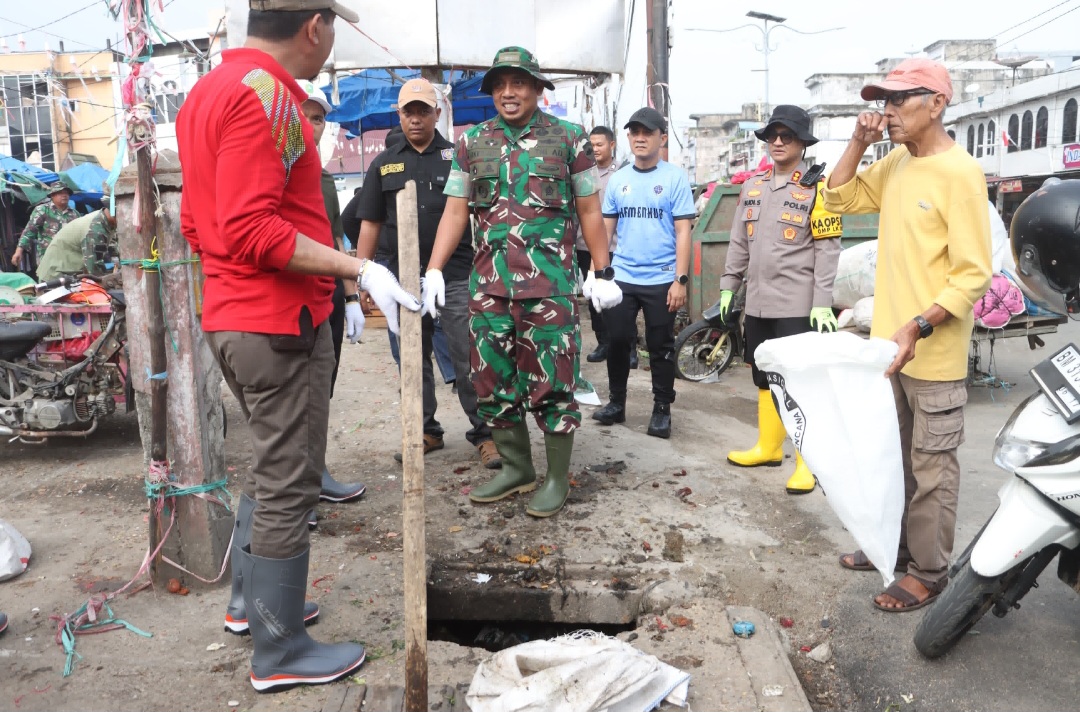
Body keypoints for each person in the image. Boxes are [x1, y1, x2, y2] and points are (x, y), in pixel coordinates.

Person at [176, 0, 419, 692]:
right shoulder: (271, 97)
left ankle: (251, 607)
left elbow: (198, 222)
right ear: (315, 26)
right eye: (333, 27)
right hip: (277, 322)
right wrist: (357, 270)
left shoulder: (207, 91)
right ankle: (279, 649)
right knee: (290, 483)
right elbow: (252, 228)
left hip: (234, 315)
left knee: (269, 468)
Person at [422, 46, 621, 518]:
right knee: (491, 382)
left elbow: (590, 209)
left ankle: (556, 478)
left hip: (549, 290)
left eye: (518, 83)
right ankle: (517, 468)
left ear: (536, 88)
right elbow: (455, 210)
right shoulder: (472, 143)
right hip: (488, 290)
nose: (508, 93)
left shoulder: (569, 139)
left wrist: (601, 269)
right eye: (500, 85)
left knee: (554, 384)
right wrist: (434, 268)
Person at [823, 58, 992, 611]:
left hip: (930, 351)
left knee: (932, 467)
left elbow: (972, 274)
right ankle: (894, 548)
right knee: (893, 459)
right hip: (889, 350)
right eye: (885, 101)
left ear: (937, 104)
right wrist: (858, 142)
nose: (888, 111)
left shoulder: (960, 174)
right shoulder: (897, 161)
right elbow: (838, 198)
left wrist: (918, 325)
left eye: (899, 100)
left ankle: (929, 571)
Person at [353, 78, 501, 469]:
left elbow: (482, 216)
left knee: (468, 357)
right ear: (399, 115)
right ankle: (425, 430)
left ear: (437, 114)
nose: (416, 119)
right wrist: (361, 276)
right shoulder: (383, 164)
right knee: (411, 360)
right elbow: (370, 222)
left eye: (423, 111)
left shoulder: (457, 158)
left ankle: (485, 433)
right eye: (409, 112)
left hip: (455, 276)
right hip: (400, 279)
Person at [719, 105, 843, 494]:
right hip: (758, 302)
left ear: (802, 143)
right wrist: (728, 285)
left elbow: (828, 250)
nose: (777, 142)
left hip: (798, 304)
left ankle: (808, 462)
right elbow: (739, 242)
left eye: (786, 136)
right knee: (764, 376)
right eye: (772, 135)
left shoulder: (819, 189)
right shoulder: (752, 186)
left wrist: (822, 301)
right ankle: (769, 448)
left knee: (800, 382)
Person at [591, 107, 695, 439]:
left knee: (660, 345)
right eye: (634, 132)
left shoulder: (675, 178)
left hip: (662, 278)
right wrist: (597, 274)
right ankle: (616, 403)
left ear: (662, 138)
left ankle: (662, 408)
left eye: (647, 132)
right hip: (622, 276)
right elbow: (605, 230)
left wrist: (680, 280)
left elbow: (683, 232)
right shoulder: (619, 179)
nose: (640, 138)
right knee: (617, 341)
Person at [299, 81, 367, 506]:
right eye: (304, 115)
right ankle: (296, 492)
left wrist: (351, 297)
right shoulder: (271, 170)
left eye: (319, 118)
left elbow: (336, 239)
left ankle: (316, 475)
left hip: (329, 298)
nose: (312, 125)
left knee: (321, 387)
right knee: (291, 396)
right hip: (289, 300)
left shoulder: (323, 179)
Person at [577, 125, 635, 367]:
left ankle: (629, 347)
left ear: (612, 145)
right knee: (594, 298)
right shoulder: (582, 171)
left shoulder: (623, 173)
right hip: (585, 245)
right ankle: (603, 343)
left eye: (599, 144)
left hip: (615, 247)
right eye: (591, 145)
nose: (595, 149)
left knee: (620, 298)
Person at [36, 199, 117, 282]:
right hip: (56, 275)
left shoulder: (104, 220)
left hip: (69, 272)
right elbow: (94, 267)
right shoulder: (95, 228)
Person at [12, 183, 79, 269]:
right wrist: (19, 251)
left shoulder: (74, 214)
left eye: (66, 193)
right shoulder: (43, 210)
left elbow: (79, 236)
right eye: (60, 193)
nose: (64, 195)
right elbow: (29, 231)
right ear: (52, 195)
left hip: (69, 260)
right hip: (48, 259)